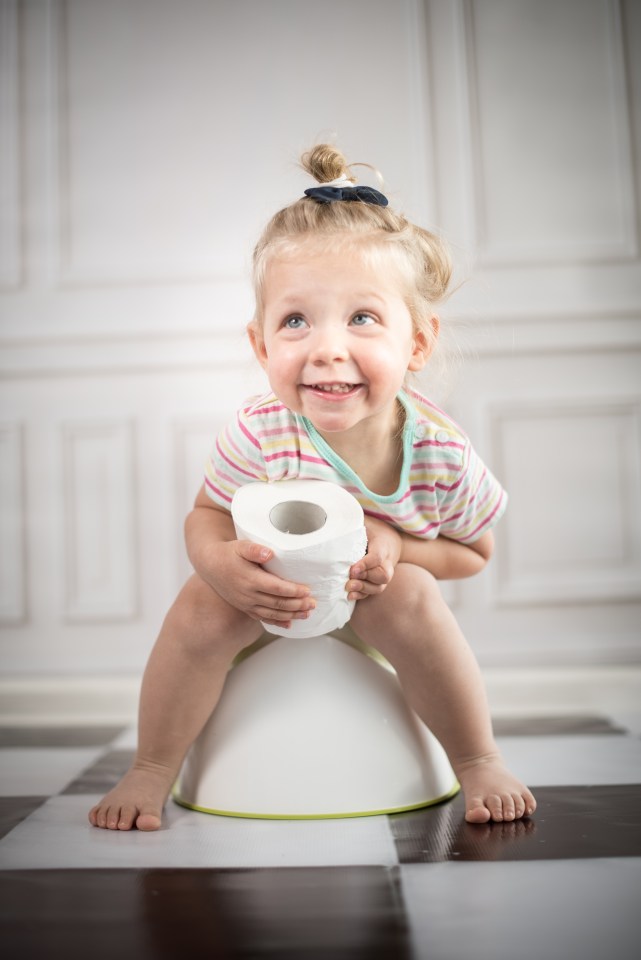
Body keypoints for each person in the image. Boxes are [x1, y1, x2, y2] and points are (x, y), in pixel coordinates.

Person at [89, 144, 536, 832]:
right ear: (261, 346)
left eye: (361, 318)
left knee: (411, 594)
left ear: (415, 343)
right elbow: (205, 515)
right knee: (198, 606)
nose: (326, 347)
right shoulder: (261, 428)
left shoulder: (439, 453)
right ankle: (152, 766)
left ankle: (477, 758)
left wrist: (393, 547)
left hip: (374, 616)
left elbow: (474, 554)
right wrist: (218, 565)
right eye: (296, 321)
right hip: (266, 609)